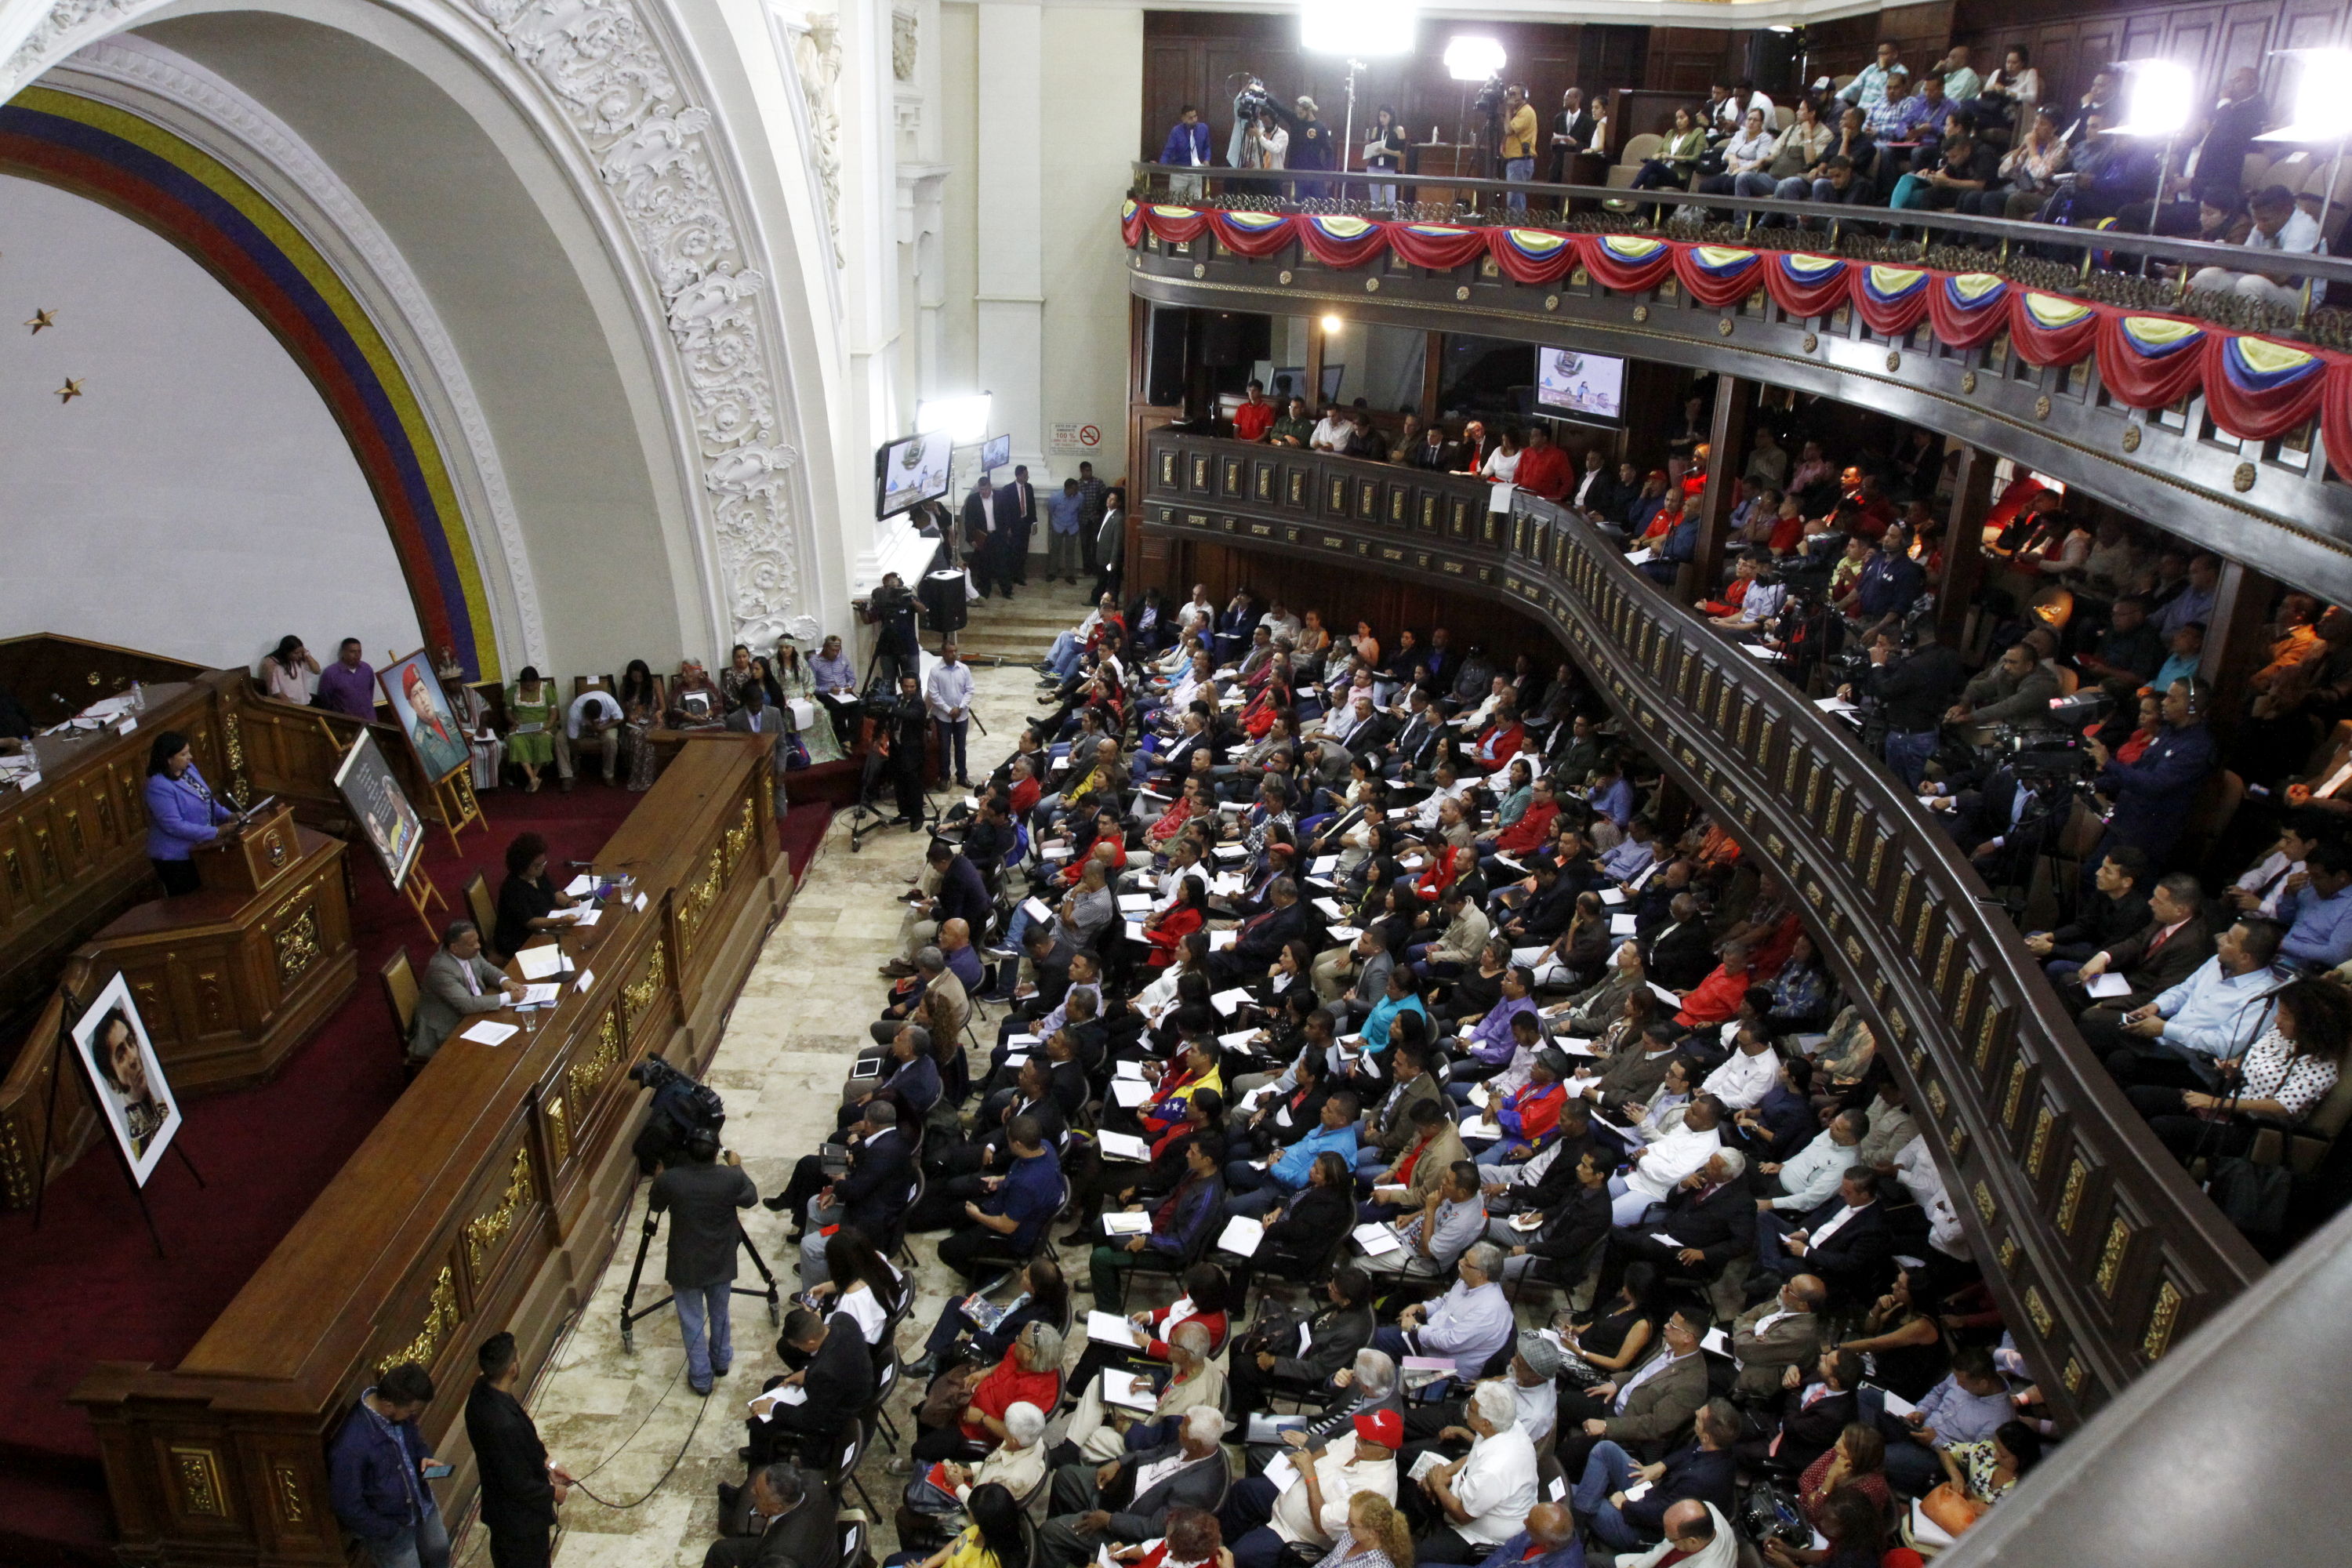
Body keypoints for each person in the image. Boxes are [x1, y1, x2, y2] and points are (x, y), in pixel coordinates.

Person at [1036, 1409, 1232, 1567]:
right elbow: (1159, 1451)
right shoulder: (1194, 1443)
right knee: (1065, 1476)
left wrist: (1109, 1520)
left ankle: (1058, 1545)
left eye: (1184, 1426)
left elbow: (1153, 1528)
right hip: (1123, 1489)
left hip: (1126, 1526)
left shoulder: (1198, 1489)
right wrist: (1119, 1463)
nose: (1179, 1427)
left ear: (1197, 1444)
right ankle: (1071, 1553)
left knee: (1050, 1533)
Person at [649, 1128, 757, 1396]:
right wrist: (738, 1168)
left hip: (685, 1261)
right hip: (720, 1258)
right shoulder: (730, 1177)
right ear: (715, 1153)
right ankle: (721, 1361)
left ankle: (700, 1378)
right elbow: (750, 1197)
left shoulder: (671, 1180)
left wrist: (659, 1178)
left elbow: (657, 1205)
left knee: (691, 1319)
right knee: (720, 1312)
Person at [463, 1332, 572, 1568]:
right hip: (519, 1524)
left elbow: (525, 1441)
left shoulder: (482, 1390)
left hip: (503, 1513)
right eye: (519, 1354)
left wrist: (549, 1463)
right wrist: (553, 1493)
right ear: (512, 1368)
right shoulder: (503, 1425)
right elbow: (517, 1484)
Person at [328, 1362, 448, 1568]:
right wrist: (388, 1530)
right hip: (393, 1532)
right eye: (410, 1411)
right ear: (389, 1406)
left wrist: (424, 1458)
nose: (412, 1415)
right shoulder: (351, 1446)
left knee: (440, 1550)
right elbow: (347, 1505)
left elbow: (416, 1442)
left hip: (423, 1506)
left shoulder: (399, 1410)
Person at [1408, 1380, 1537, 1565]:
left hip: (1480, 1533)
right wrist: (1445, 1472)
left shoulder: (1495, 1468)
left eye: (1472, 1408)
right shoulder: (1505, 1425)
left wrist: (1438, 1484)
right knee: (1416, 1490)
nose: (1467, 1407)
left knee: (1417, 1557)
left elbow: (1463, 1516)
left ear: (1485, 1423)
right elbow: (1475, 1456)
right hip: (1469, 1493)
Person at [2189, 183, 2326, 311]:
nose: (2259, 227)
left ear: (2286, 211)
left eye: (2265, 220)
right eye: (2257, 220)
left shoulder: (2303, 229)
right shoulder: (2262, 226)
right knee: (2207, 276)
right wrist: (2226, 258)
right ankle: (2207, 330)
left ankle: (2250, 335)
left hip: (2301, 296)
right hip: (2266, 281)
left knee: (2250, 284)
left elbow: (2281, 276)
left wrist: (2241, 264)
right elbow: (2244, 258)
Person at [410, 919, 526, 1061]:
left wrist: (505, 981)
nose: (478, 946)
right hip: (449, 1026)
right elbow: (467, 1005)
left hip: (474, 1012)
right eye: (473, 944)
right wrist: (509, 997)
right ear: (454, 948)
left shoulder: (469, 951)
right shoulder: (441, 969)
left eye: (477, 941)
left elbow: (486, 968)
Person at [143, 728, 234, 895]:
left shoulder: (189, 770)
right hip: (176, 859)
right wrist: (217, 831)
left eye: (189, 752)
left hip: (201, 849)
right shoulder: (158, 786)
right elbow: (174, 826)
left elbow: (207, 799)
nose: (190, 757)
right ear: (168, 759)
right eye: (184, 755)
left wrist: (228, 815)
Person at [706, 1462, 837, 1568]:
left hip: (800, 1557)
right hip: (813, 1541)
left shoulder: (781, 1557)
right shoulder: (813, 1479)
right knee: (720, 1550)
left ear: (776, 1507)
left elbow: (780, 1559)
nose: (752, 1491)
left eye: (758, 1494)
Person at [494, 832, 578, 960]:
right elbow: (530, 922)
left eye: (543, 863)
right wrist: (561, 920)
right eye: (537, 865)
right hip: (519, 938)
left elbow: (553, 892)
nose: (542, 868)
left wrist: (569, 903)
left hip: (544, 924)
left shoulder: (538, 873)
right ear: (522, 866)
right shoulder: (512, 889)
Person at [724, 684, 793, 815]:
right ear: (746, 702)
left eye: (759, 705)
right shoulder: (734, 720)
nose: (756, 708)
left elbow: (781, 745)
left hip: (772, 770)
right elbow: (732, 752)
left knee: (780, 813)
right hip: (748, 772)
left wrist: (780, 770)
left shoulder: (774, 714)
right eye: (752, 705)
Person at [503, 666, 558, 792]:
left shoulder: (547, 689)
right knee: (515, 742)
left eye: (532, 685)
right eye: (526, 685)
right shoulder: (512, 692)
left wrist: (547, 726)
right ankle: (533, 778)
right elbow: (508, 712)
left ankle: (533, 775)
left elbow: (554, 712)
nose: (529, 688)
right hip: (521, 727)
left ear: (537, 681)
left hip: (543, 726)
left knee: (543, 740)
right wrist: (513, 721)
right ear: (521, 682)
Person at [929, 641, 976, 788]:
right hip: (943, 716)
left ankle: (962, 775)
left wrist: (960, 707)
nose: (953, 654)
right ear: (943, 653)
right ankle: (944, 776)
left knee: (961, 747)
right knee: (944, 747)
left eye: (955, 651)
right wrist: (948, 709)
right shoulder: (936, 671)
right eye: (950, 651)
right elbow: (933, 694)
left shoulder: (963, 669)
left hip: (961, 716)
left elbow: (970, 690)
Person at [315, 637, 378, 719]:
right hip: (346, 722)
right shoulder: (331, 673)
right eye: (352, 652)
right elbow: (326, 699)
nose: (357, 655)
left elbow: (370, 691)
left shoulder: (366, 669)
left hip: (369, 719)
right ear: (343, 652)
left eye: (359, 651)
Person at [1498, 84, 1538, 208]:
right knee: (1514, 198)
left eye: (1514, 94)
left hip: (1520, 161)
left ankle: (1516, 226)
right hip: (1515, 161)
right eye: (1509, 94)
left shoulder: (1526, 112)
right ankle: (1514, 224)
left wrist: (1508, 110)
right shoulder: (1518, 112)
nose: (1510, 97)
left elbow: (1509, 130)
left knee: (1515, 200)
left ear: (1524, 96)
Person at [1163, 105, 1213, 200]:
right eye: (1190, 118)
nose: (1194, 120)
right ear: (1183, 118)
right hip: (1179, 172)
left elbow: (1207, 147)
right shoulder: (1176, 132)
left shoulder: (1203, 129)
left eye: (1195, 116)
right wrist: (1161, 166)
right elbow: (1168, 151)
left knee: (1196, 204)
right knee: (1176, 204)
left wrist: (1207, 159)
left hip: (1196, 172)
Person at [262, 634, 320, 703]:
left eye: (301, 652)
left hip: (303, 704)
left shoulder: (301, 658)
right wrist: (293, 708)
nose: (300, 655)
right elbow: (275, 692)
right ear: (286, 652)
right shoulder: (272, 663)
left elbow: (317, 670)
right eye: (296, 653)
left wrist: (306, 654)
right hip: (286, 705)